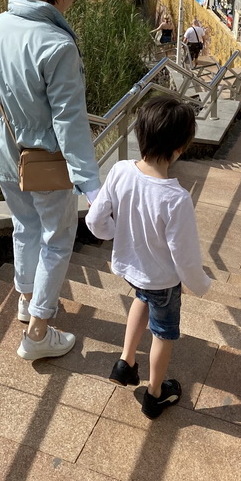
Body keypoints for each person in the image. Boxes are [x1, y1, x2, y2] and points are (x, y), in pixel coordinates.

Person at [0, 0, 100, 362]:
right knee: (58, 240)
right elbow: (70, 123)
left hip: (1, 154)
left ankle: (27, 301)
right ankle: (39, 332)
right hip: (43, 161)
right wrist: (92, 186)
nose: (74, 0)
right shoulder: (57, 45)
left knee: (24, 228)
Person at [86, 96, 211, 418]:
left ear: (140, 134)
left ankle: (125, 361)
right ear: (181, 147)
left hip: (130, 267)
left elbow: (95, 221)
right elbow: (184, 257)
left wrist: (117, 235)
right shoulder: (176, 198)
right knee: (164, 333)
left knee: (141, 297)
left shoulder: (119, 171)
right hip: (163, 279)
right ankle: (155, 394)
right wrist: (201, 284)